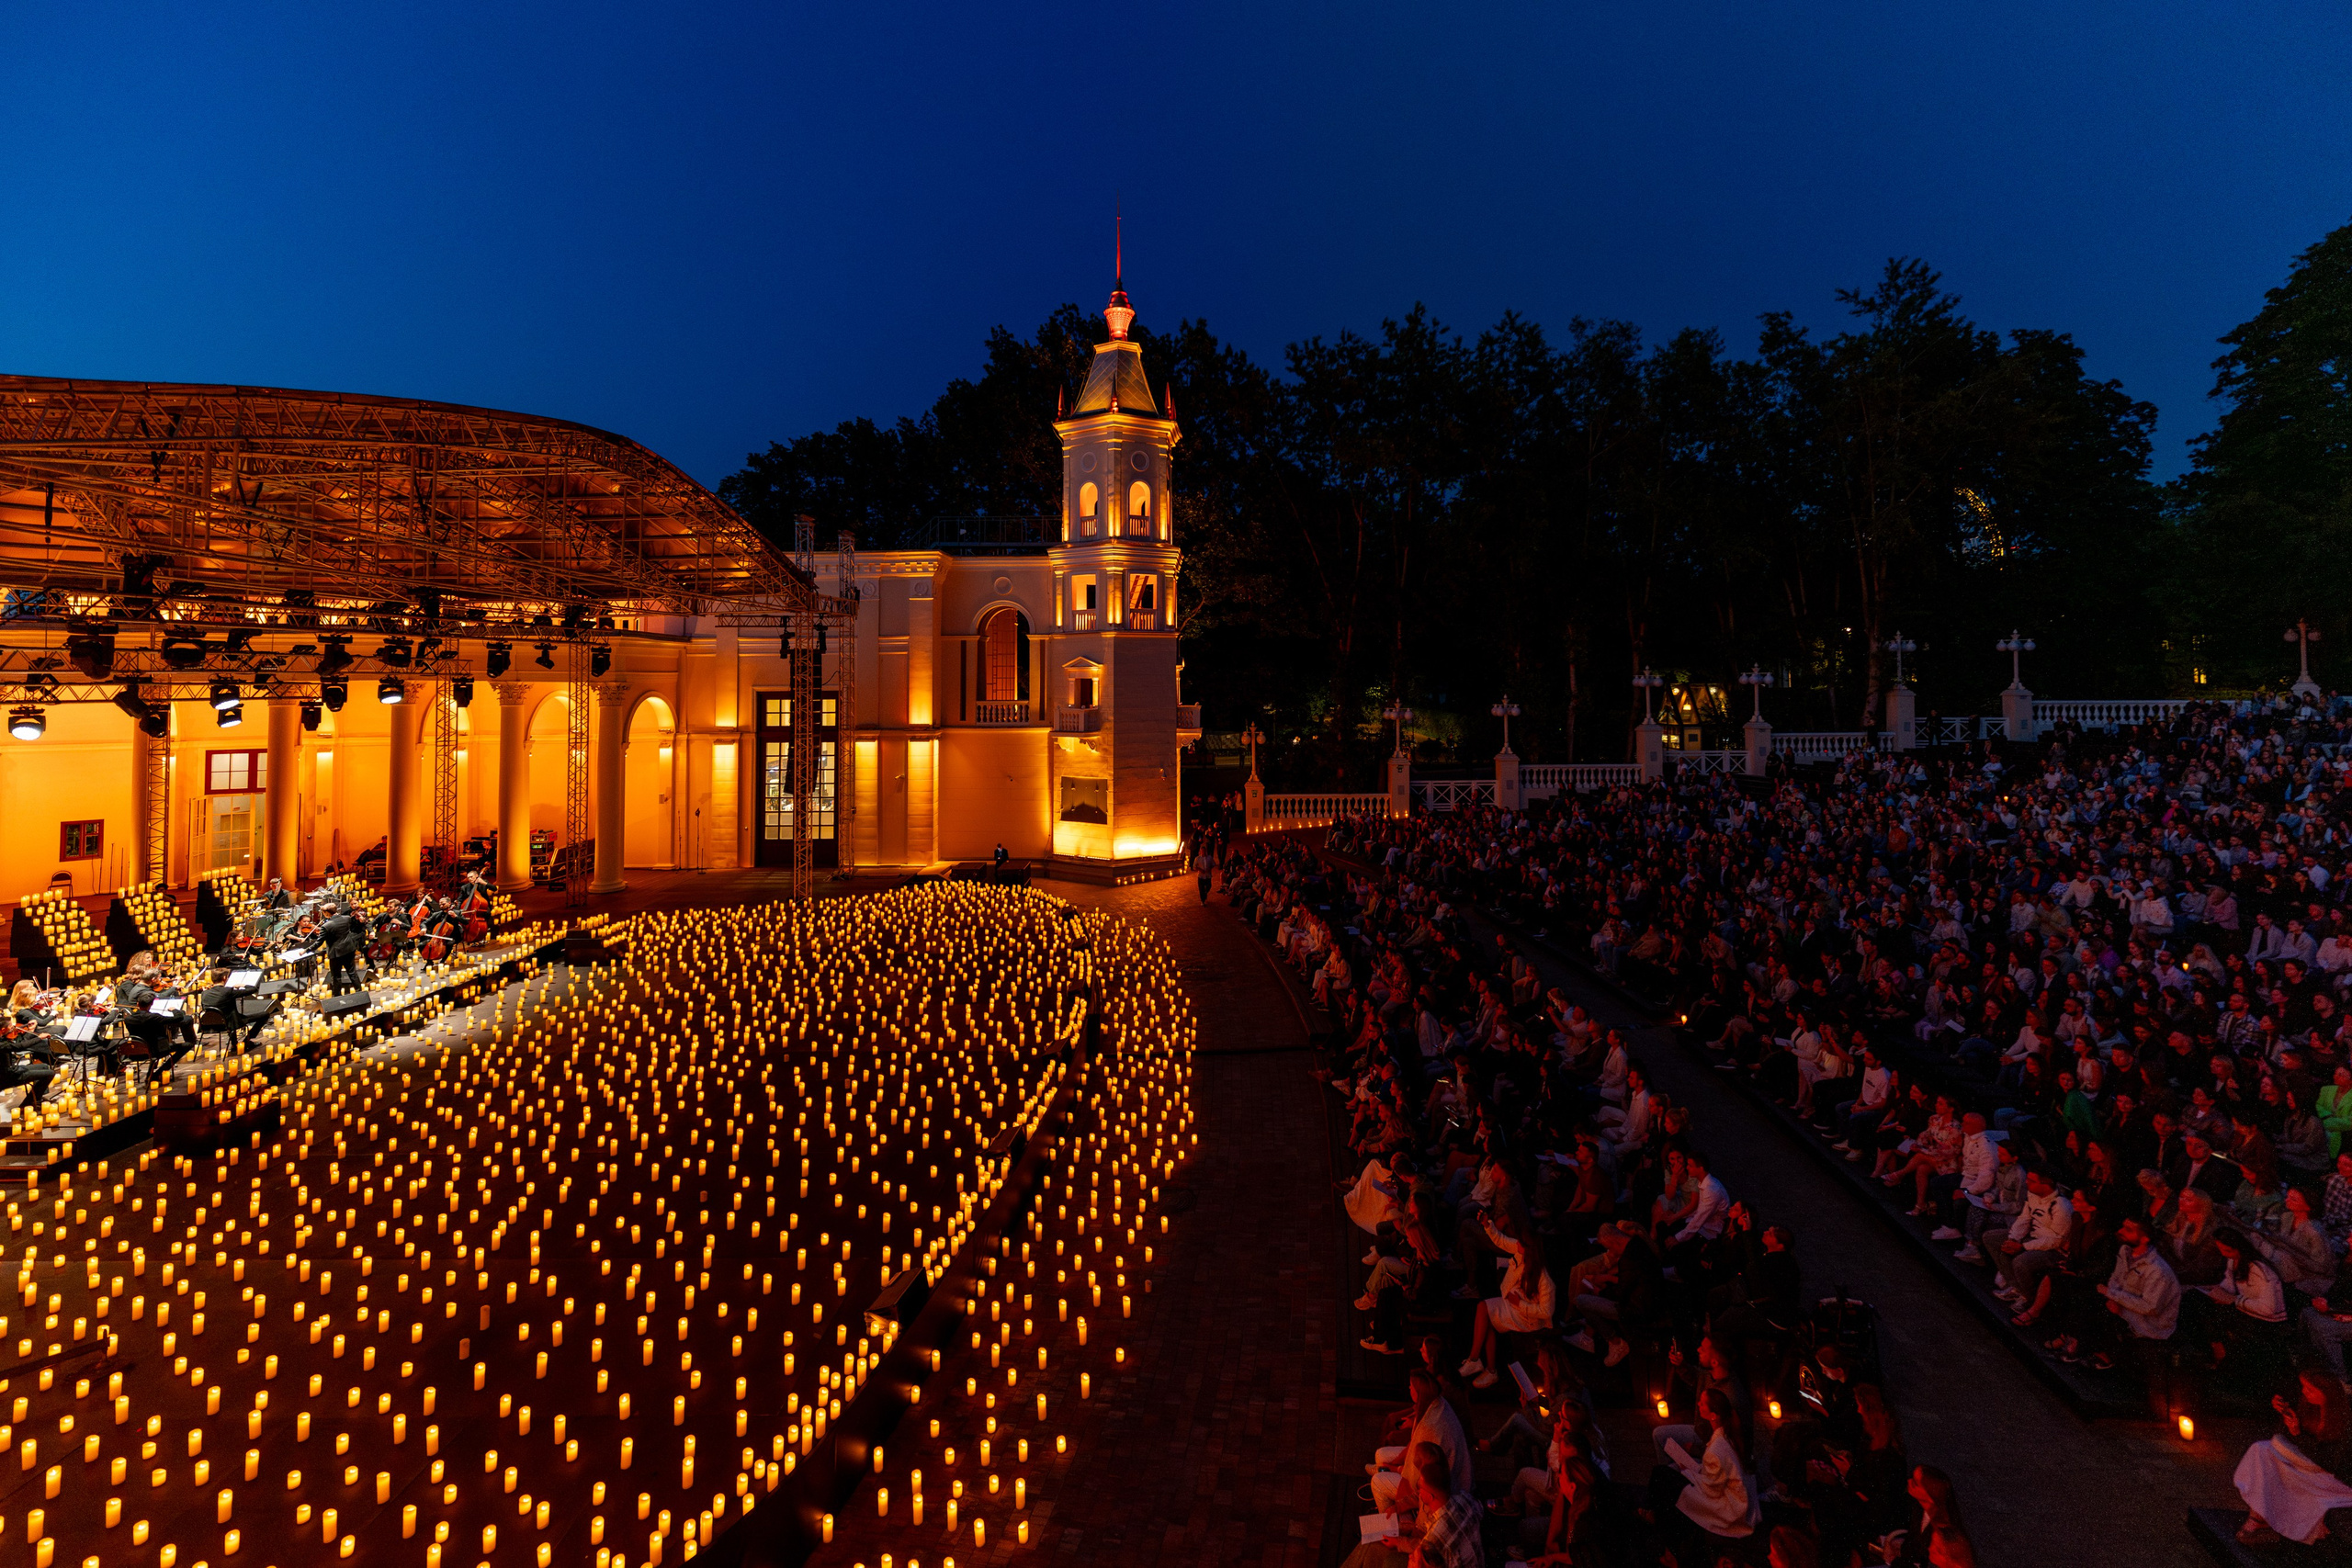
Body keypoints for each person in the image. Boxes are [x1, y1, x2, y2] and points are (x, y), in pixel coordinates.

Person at [2233, 1370, 2352, 1545]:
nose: (2305, 1392)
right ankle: (2259, 1516)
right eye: (2304, 1387)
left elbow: (2329, 1462)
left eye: (2311, 1390)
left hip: (2330, 1478)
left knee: (2280, 1469)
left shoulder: (2344, 1419)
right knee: (2262, 1450)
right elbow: (2293, 1439)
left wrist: (2297, 1435)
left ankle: (2262, 1522)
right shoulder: (2309, 1405)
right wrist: (2288, 1421)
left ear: (2328, 1392)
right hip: (2308, 1461)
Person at [320, 901, 365, 996]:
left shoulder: (326, 926)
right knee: (352, 972)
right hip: (349, 949)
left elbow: (319, 942)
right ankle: (360, 993)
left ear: (327, 913)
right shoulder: (347, 918)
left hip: (336, 953)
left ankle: (337, 996)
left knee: (336, 977)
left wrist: (306, 950)